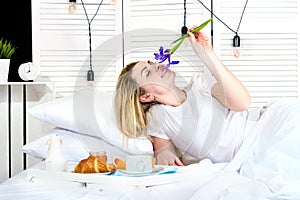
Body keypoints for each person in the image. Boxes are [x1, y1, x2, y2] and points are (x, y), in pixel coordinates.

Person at [114, 28, 300, 167]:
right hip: (251, 154)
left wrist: (207, 53)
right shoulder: (158, 116)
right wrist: (165, 158)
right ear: (146, 96)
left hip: (267, 126)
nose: (157, 66)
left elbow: (242, 103)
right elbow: (164, 154)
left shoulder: (200, 84)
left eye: (152, 62)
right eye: (148, 72)